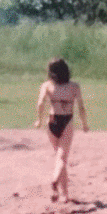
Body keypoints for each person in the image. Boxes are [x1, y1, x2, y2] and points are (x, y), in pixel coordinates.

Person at [33, 57, 89, 203]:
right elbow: (81, 107)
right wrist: (84, 124)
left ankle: (64, 194)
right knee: (62, 157)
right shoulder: (74, 86)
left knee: (59, 156)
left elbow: (40, 103)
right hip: (67, 120)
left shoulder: (47, 85)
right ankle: (55, 180)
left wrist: (39, 120)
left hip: (52, 120)